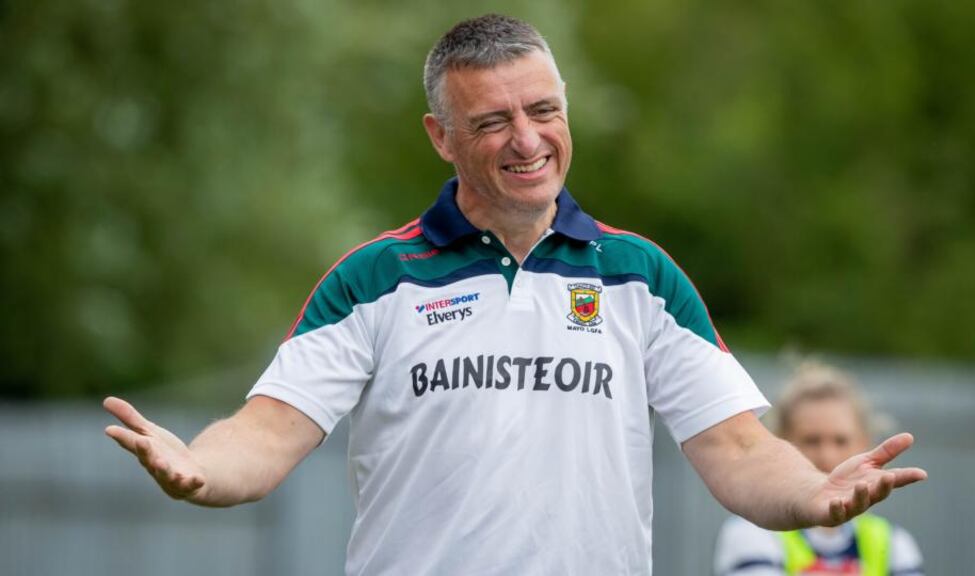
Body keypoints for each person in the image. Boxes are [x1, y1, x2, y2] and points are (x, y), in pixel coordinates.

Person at [103, 14, 926, 575]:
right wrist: (201, 467)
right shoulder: (375, 278)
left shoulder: (639, 276)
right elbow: (268, 432)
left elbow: (739, 451)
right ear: (442, 136)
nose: (528, 140)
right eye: (493, 121)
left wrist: (811, 494)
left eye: (543, 110)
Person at [713, 361, 925, 576]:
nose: (827, 456)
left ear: (864, 444)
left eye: (841, 441)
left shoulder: (894, 542)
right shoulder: (750, 532)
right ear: (780, 444)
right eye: (812, 441)